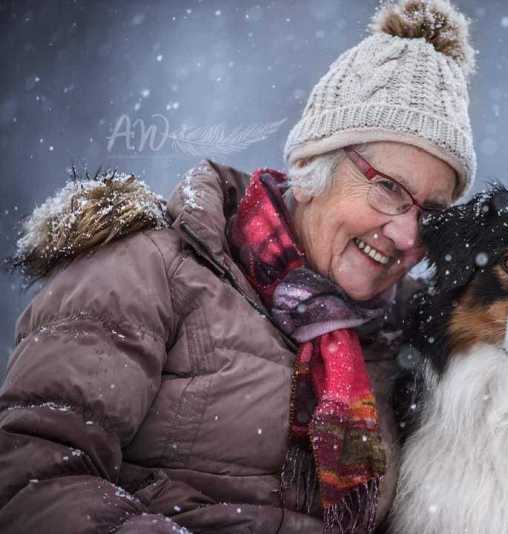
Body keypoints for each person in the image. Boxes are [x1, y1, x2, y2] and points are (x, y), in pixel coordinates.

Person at [0, 0, 476, 533]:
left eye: (431, 213)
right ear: (310, 166)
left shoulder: (418, 340)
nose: (407, 234)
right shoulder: (150, 269)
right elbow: (32, 474)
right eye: (389, 188)